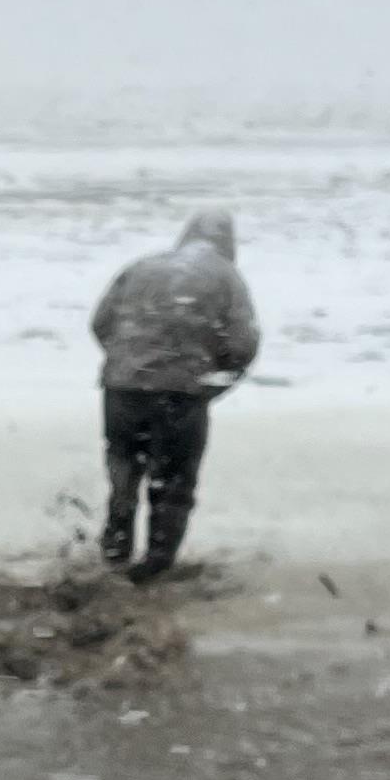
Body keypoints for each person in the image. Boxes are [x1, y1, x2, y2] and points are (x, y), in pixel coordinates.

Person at [91, 209, 259, 581]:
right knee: (174, 485)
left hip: (122, 388)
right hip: (180, 392)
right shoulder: (226, 277)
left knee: (124, 470)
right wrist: (210, 385)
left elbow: (101, 323)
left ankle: (114, 554)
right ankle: (154, 569)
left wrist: (130, 361)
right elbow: (243, 346)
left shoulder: (142, 266)